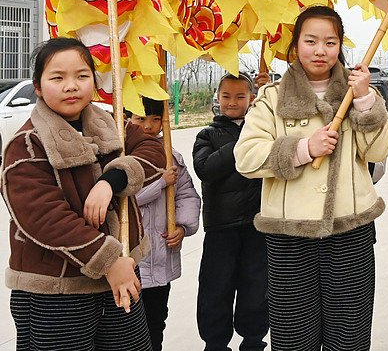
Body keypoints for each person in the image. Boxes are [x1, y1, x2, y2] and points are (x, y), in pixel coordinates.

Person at [235, 5, 388, 351]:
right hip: (290, 236)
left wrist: (366, 100)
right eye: (311, 41)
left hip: (350, 231)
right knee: (293, 337)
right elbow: (245, 158)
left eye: (330, 42)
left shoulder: (361, 95)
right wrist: (304, 149)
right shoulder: (272, 99)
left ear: (340, 47)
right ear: (296, 46)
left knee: (349, 335)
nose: (320, 51)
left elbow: (379, 152)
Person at [1, 37, 166, 350]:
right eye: (57, 77)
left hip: (120, 276)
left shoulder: (113, 124)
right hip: (58, 291)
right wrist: (109, 260)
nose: (70, 86)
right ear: (37, 86)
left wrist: (111, 180)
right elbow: (45, 218)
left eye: (81, 75)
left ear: (94, 80)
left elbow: (153, 151)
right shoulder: (26, 145)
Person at [193, 73, 270, 351]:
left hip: (258, 225)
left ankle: (253, 340)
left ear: (252, 99)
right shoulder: (207, 134)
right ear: (217, 97)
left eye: (240, 96)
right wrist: (241, 144)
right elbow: (205, 169)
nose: (232, 102)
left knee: (257, 287)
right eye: (226, 96)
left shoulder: (263, 131)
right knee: (216, 288)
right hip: (221, 228)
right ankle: (215, 343)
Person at [131, 97, 202, 351]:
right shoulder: (121, 157)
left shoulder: (171, 156)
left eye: (155, 119)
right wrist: (161, 183)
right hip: (130, 263)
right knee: (127, 328)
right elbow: (125, 200)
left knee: (155, 322)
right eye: (140, 119)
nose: (148, 126)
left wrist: (182, 227)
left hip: (160, 259)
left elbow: (187, 196)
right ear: (128, 119)